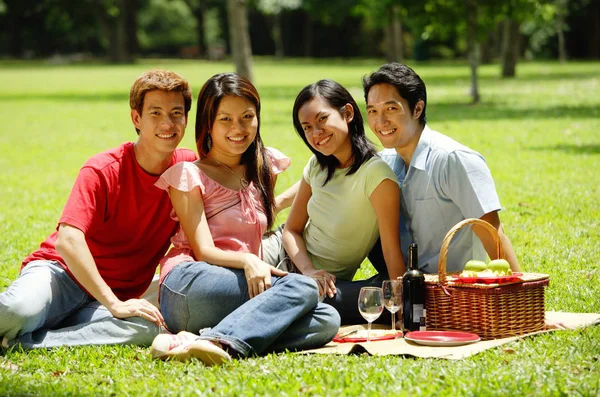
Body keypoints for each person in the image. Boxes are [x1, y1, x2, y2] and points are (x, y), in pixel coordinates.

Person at [149, 73, 340, 365]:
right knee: (302, 288)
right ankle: (216, 339)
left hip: (243, 289)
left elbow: (254, 216)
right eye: (225, 119)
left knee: (327, 319)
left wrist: (317, 180)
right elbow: (203, 251)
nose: (238, 128)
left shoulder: (263, 168)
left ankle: (201, 340)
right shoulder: (188, 175)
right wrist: (249, 261)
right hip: (190, 284)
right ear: (208, 124)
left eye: (247, 117)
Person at [0, 69, 198, 349]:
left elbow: (232, 191)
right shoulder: (103, 168)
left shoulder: (188, 169)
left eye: (176, 113)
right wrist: (114, 303)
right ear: (136, 118)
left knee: (146, 327)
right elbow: (69, 240)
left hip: (110, 299)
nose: (168, 123)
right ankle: (29, 323)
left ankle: (27, 343)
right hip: (60, 276)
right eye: (156, 113)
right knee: (14, 311)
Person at [362, 63, 520, 274]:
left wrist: (519, 294)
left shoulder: (454, 160)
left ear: (417, 109)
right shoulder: (384, 164)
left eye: (391, 108)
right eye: (373, 111)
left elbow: (493, 234)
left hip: (454, 292)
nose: (380, 121)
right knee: (330, 299)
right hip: (403, 283)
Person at [279, 79, 406, 325]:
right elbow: (291, 230)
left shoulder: (376, 175)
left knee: (352, 301)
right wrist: (309, 271)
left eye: (322, 120)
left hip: (326, 289)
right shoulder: (317, 166)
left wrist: (399, 304)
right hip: (286, 260)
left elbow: (390, 248)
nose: (316, 133)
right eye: (307, 127)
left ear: (347, 113)